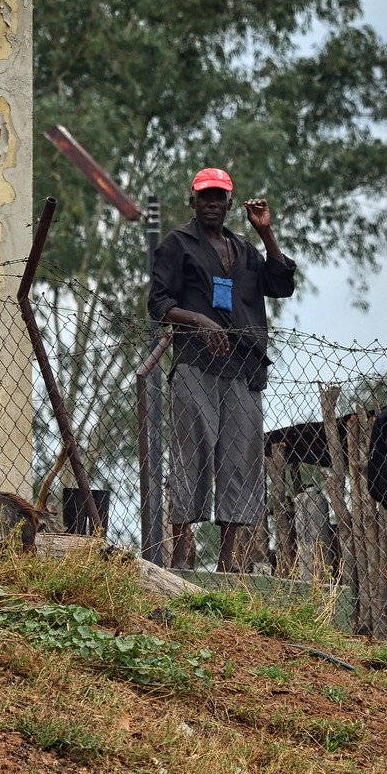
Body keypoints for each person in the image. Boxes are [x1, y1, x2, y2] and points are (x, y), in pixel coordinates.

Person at [147, 167, 296, 572]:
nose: (212, 203)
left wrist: (266, 232)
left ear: (231, 204)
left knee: (241, 455)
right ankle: (181, 550)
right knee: (191, 449)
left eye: (219, 197)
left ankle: (228, 560)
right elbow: (159, 304)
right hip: (197, 361)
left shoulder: (245, 248)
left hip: (243, 368)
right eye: (205, 196)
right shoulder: (178, 244)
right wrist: (200, 321)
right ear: (191, 201)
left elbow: (281, 284)